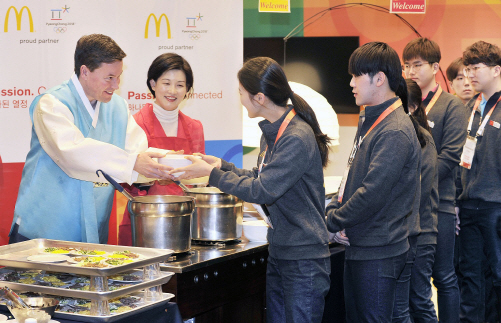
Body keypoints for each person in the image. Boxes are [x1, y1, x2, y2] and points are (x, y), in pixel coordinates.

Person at [170, 57, 332, 323]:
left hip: (303, 258)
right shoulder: (274, 131)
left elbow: (262, 190)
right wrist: (222, 166)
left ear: (259, 97)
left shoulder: (296, 136)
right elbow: (260, 176)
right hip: (283, 250)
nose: (240, 99)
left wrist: (211, 175)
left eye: (241, 93)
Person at [9, 34, 171, 244]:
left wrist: (162, 166)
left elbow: (135, 155)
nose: (116, 85)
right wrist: (133, 162)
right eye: (109, 77)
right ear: (84, 71)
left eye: (119, 77)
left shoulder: (118, 108)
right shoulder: (52, 104)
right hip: (43, 231)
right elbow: (72, 152)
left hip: (92, 232)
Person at [326, 42, 421, 322]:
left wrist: (332, 222)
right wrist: (335, 212)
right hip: (363, 245)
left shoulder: (394, 130)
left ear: (379, 79)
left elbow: (372, 193)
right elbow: (352, 179)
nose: (351, 83)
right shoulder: (372, 119)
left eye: (357, 76)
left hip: (379, 252)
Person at [403, 37, 468, 323]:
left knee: (443, 275)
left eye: (417, 65)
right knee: (413, 280)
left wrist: (415, 181)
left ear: (435, 66)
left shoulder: (451, 106)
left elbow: (450, 157)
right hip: (407, 206)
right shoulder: (405, 103)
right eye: (406, 66)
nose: (411, 72)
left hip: (439, 202)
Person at [118, 53, 205, 246]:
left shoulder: (195, 127)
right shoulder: (134, 124)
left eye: (180, 85)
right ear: (153, 84)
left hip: (184, 219)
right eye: (166, 83)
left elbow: (200, 180)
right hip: (144, 220)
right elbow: (123, 178)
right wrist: (153, 175)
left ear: (188, 89)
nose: (172, 91)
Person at [458, 40, 501, 323]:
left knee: (498, 277)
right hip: (467, 207)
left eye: (477, 68)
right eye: (468, 69)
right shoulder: (469, 107)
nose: (471, 75)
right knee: (471, 279)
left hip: (496, 207)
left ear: (496, 69)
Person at [405, 79, 440, 323]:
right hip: (402, 233)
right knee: (403, 304)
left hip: (421, 233)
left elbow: (421, 189)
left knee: (419, 301)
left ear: (414, 107)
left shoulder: (423, 139)